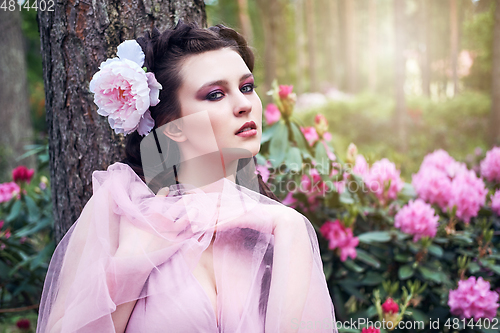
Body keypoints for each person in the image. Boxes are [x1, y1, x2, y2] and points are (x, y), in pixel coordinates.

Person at [36, 21, 338, 332]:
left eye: (246, 87)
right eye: (216, 94)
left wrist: (288, 227)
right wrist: (131, 264)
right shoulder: (121, 207)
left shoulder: (277, 227)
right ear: (174, 126)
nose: (244, 104)